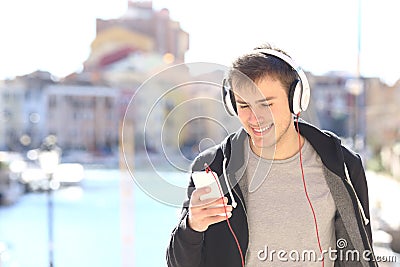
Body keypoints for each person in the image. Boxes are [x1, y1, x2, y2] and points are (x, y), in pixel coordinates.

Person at [166, 43, 377, 266]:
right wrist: (191, 227)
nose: (255, 118)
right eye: (244, 105)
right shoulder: (212, 167)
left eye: (266, 104)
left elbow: (361, 253)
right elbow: (177, 262)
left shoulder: (343, 165)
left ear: (295, 100)